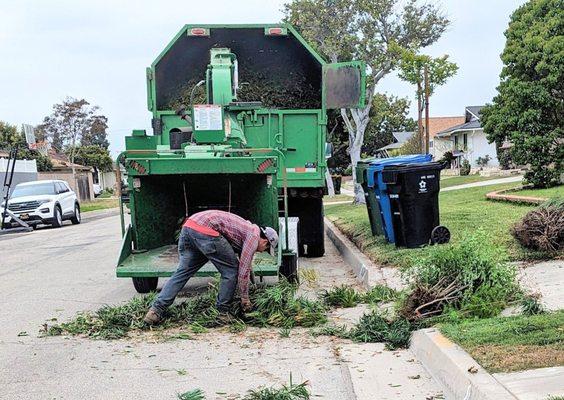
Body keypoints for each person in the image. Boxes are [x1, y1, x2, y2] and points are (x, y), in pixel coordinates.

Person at [144, 209, 278, 325]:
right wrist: (245, 299)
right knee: (231, 271)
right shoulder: (253, 236)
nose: (261, 251)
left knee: (183, 272)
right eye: (265, 248)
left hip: (189, 227)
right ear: (265, 240)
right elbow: (242, 270)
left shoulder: (245, 229)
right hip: (206, 230)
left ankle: (155, 311)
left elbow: (247, 265)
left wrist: (250, 283)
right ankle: (222, 312)